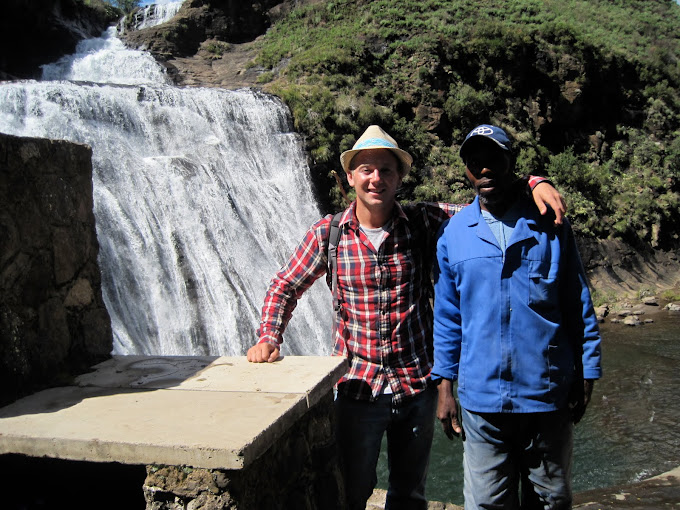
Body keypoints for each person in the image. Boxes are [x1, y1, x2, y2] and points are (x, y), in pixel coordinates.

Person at [247, 125, 567, 510]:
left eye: (386, 169)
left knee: (410, 495)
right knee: (352, 491)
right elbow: (285, 285)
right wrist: (270, 336)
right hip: (356, 389)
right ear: (350, 177)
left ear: (399, 177)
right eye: (366, 169)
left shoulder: (423, 220)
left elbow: (485, 205)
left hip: (416, 387)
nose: (376, 179)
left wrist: (532, 182)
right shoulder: (328, 234)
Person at [432, 124, 602, 509]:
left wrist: (588, 370)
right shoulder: (454, 233)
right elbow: (447, 316)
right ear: (466, 170)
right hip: (482, 401)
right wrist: (444, 386)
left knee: (550, 501)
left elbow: (578, 302)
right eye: (475, 160)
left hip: (546, 394)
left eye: (494, 157)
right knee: (487, 504)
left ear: (512, 162)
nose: (485, 168)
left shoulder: (550, 224)